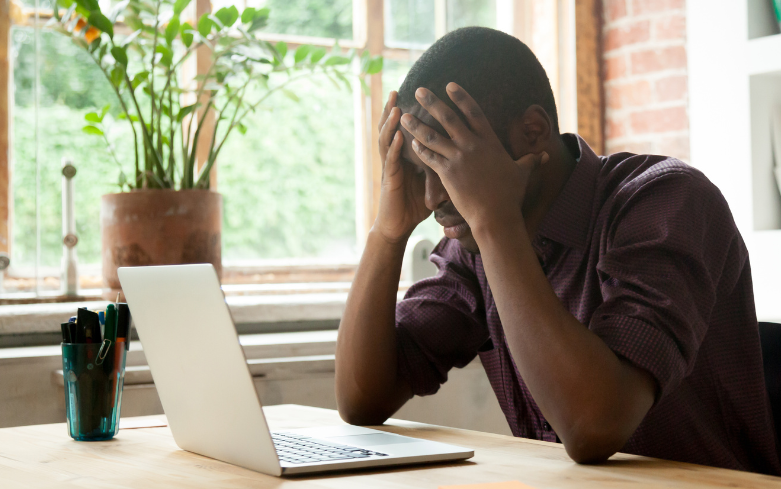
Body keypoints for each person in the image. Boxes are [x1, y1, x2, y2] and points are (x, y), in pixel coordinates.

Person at [334, 26, 781, 474]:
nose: (432, 196)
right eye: (421, 167)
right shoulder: (474, 246)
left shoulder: (667, 201)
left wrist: (495, 223)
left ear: (533, 132)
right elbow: (362, 400)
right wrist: (387, 233)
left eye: (452, 160)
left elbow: (594, 426)